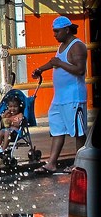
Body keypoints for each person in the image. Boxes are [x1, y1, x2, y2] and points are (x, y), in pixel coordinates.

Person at [31, 15, 88, 174]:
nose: (54, 34)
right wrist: (40, 69)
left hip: (74, 98)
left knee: (78, 133)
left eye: (57, 31)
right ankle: (51, 163)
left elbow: (80, 70)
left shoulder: (77, 46)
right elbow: (53, 61)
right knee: (57, 130)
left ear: (67, 30)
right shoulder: (62, 45)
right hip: (60, 98)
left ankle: (80, 165)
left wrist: (60, 63)